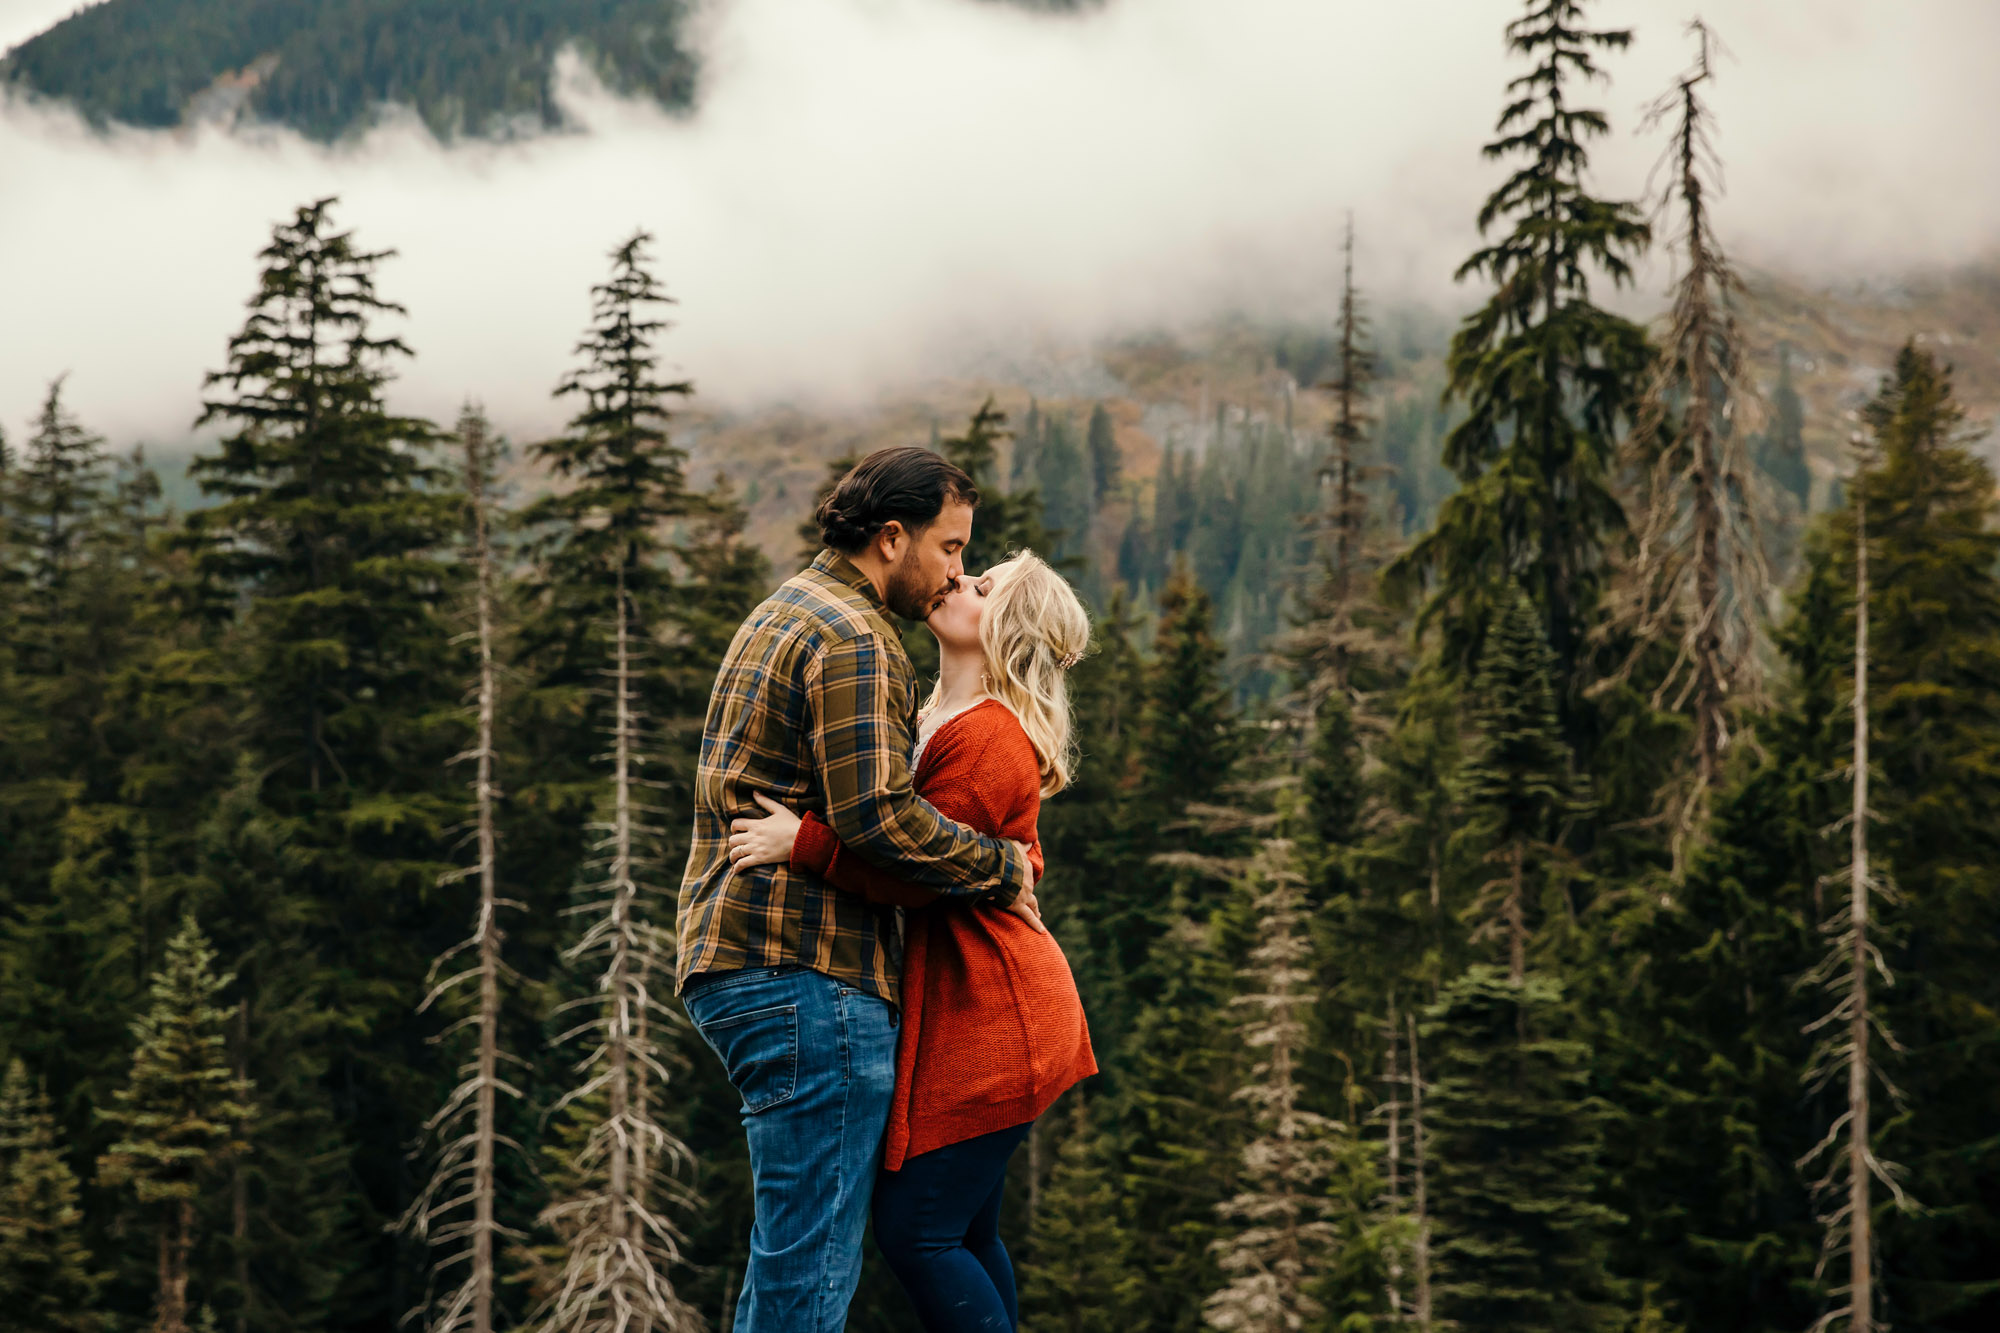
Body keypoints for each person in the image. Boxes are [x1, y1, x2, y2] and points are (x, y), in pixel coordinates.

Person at [676, 446, 1043, 1333]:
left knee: (789, 1260)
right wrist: (1002, 867)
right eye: (951, 548)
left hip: (742, 961)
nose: (957, 569)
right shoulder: (856, 636)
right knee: (810, 1278)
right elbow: (878, 815)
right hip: (806, 970)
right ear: (892, 537)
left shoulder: (787, 608)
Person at [727, 550, 1098, 1332]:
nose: (960, 580)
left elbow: (917, 867)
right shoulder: (939, 719)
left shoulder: (988, 738)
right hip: (981, 1008)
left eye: (984, 585)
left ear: (1010, 632)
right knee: (962, 1231)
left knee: (918, 1231)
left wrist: (805, 843)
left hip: (998, 1013)